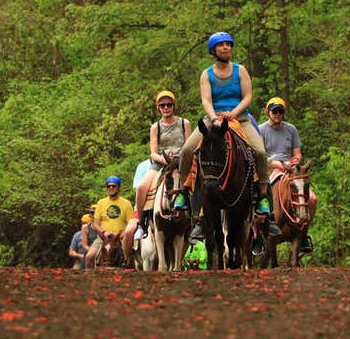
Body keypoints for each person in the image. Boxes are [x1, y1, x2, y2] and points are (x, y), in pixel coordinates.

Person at [178, 31, 280, 236]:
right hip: (213, 119)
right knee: (187, 149)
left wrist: (234, 113)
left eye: (228, 44)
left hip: (239, 118)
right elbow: (206, 100)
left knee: (259, 152)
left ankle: (262, 198)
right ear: (213, 50)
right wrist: (214, 118)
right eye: (221, 45)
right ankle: (182, 192)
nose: (225, 47)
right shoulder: (206, 74)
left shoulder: (240, 70)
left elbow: (248, 95)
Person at [134, 90, 192, 240]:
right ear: (158, 108)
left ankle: (197, 222)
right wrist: (162, 158)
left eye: (169, 105)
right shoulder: (156, 127)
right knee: (141, 188)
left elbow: (190, 146)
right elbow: (153, 152)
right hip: (161, 164)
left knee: (197, 185)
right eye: (162, 105)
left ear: (174, 106)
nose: (166, 108)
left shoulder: (184, 123)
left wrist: (179, 158)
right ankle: (142, 223)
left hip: (181, 164)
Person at [259, 96, 313, 253]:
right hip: (269, 168)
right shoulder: (261, 130)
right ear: (268, 112)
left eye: (280, 111)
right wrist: (276, 164)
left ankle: (303, 234)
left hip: (291, 168)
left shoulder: (291, 129)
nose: (277, 114)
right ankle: (258, 236)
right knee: (259, 198)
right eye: (274, 111)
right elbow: (260, 155)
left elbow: (297, 152)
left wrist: (295, 162)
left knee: (312, 198)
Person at [89, 176, 136, 268]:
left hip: (120, 237)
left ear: (118, 187)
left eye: (113, 186)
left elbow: (131, 223)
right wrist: (104, 232)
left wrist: (120, 234)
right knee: (89, 256)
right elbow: (95, 224)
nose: (111, 188)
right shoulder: (101, 203)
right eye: (109, 186)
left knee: (131, 259)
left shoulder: (126, 203)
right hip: (103, 237)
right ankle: (87, 278)